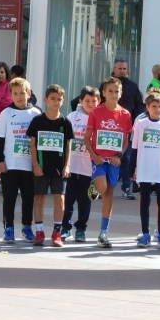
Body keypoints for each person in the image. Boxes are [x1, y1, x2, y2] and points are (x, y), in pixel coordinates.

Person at [84, 76, 133, 248]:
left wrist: (119, 155)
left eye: (116, 91)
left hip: (114, 160)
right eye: (110, 91)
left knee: (109, 194)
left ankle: (103, 233)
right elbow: (87, 138)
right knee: (102, 187)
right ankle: (94, 184)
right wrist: (95, 156)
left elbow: (126, 140)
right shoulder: (96, 112)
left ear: (121, 93)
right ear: (104, 93)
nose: (113, 94)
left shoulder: (125, 114)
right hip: (99, 158)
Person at [0, 77, 41, 243]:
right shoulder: (6, 114)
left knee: (28, 197)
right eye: (16, 94)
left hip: (30, 165)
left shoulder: (36, 113)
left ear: (29, 94)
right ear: (10, 96)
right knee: (10, 198)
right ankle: (8, 228)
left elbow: (40, 141)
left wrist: (39, 164)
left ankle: (27, 227)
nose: (20, 97)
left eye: (22, 93)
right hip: (10, 164)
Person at [27, 84, 75, 247]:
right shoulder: (38, 121)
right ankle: (39, 231)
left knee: (60, 199)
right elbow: (32, 144)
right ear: (46, 100)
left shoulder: (66, 122)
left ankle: (57, 232)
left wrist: (67, 166)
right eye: (53, 99)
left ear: (63, 101)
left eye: (59, 99)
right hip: (41, 167)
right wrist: (35, 164)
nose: (56, 102)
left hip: (59, 168)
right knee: (39, 198)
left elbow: (68, 146)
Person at [131, 92, 160, 248]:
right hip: (145, 168)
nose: (157, 109)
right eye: (154, 106)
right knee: (145, 201)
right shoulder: (141, 124)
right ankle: (145, 234)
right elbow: (135, 148)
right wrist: (132, 170)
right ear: (147, 107)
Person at [99, 58, 144, 200]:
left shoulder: (132, 86)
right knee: (103, 157)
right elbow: (99, 104)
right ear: (114, 69)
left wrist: (136, 122)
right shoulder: (105, 85)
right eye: (120, 68)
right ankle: (100, 186)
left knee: (126, 158)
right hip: (107, 128)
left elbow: (139, 106)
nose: (122, 71)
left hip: (125, 128)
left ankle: (126, 188)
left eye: (125, 69)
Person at [62, 86, 100, 243]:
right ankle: (65, 227)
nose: (90, 104)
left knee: (85, 201)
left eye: (94, 101)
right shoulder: (72, 116)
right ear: (80, 101)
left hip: (89, 168)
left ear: (99, 101)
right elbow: (66, 140)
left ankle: (81, 229)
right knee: (68, 199)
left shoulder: (100, 118)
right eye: (87, 101)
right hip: (72, 166)